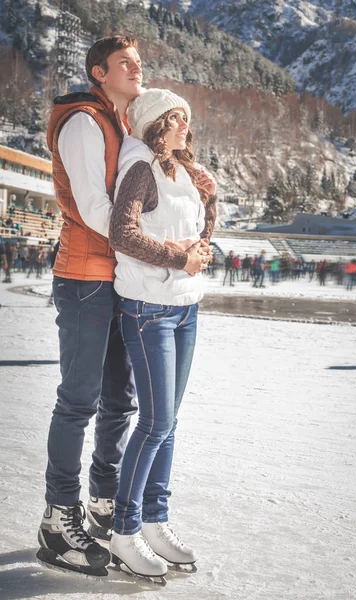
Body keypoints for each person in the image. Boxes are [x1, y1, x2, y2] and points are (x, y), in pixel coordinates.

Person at [37, 35, 142, 578]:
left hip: (119, 276)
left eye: (139, 61)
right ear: (99, 73)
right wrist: (151, 244)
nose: (136, 67)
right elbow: (94, 207)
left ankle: (103, 503)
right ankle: (58, 517)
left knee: (119, 400)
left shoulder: (122, 126)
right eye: (126, 62)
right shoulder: (84, 122)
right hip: (84, 277)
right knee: (78, 400)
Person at [108, 88, 217, 581]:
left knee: (168, 423)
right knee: (153, 423)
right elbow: (122, 234)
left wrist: (210, 204)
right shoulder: (141, 172)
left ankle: (155, 520)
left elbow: (199, 237)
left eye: (185, 119)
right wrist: (179, 258)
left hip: (185, 307)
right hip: (148, 308)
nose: (183, 127)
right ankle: (123, 531)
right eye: (174, 119)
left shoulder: (187, 176)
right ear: (154, 124)